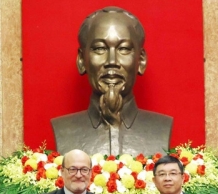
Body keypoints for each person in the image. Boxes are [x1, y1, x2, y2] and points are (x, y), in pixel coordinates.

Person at [51, 6, 172, 156]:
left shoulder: (161, 128)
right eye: (99, 49)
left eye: (124, 49)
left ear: (141, 60)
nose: (112, 61)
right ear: (81, 60)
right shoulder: (63, 129)